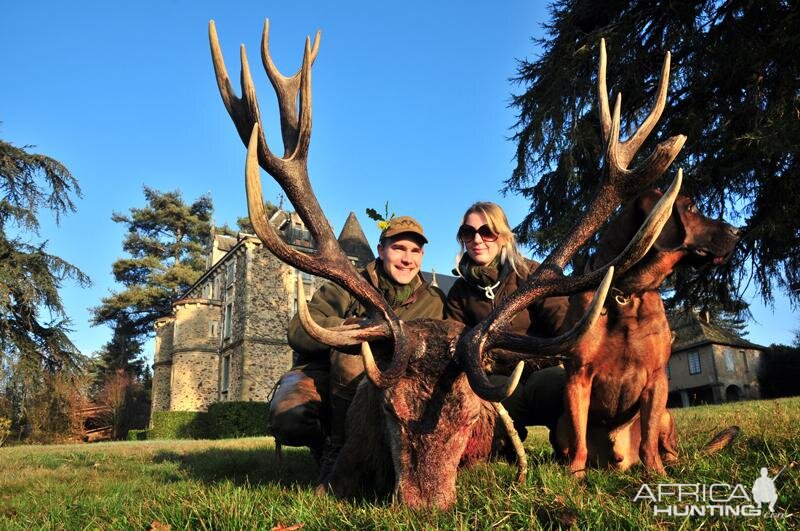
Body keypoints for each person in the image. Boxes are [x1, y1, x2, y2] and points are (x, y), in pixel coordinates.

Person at [268, 215, 446, 480]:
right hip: (328, 376)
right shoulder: (347, 283)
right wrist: (355, 328)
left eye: (415, 251)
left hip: (394, 384)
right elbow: (298, 330)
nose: (407, 259)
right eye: (398, 248)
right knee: (291, 418)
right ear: (381, 250)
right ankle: (332, 450)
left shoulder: (434, 302)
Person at [445, 201, 568, 441]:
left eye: (487, 232)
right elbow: (454, 344)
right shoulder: (459, 293)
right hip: (495, 375)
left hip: (542, 368)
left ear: (502, 236)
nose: (477, 240)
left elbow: (563, 322)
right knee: (496, 395)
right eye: (468, 233)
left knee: (556, 383)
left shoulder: (531, 273)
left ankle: (564, 436)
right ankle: (506, 444)